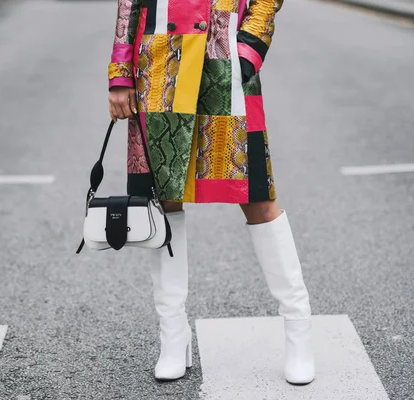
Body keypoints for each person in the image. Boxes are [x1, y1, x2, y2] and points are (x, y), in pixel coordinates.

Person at [107, 0, 315, 385]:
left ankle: (298, 329)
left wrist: (248, 50)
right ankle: (173, 336)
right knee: (164, 199)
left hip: (225, 60)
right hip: (159, 62)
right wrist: (120, 73)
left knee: (257, 198)